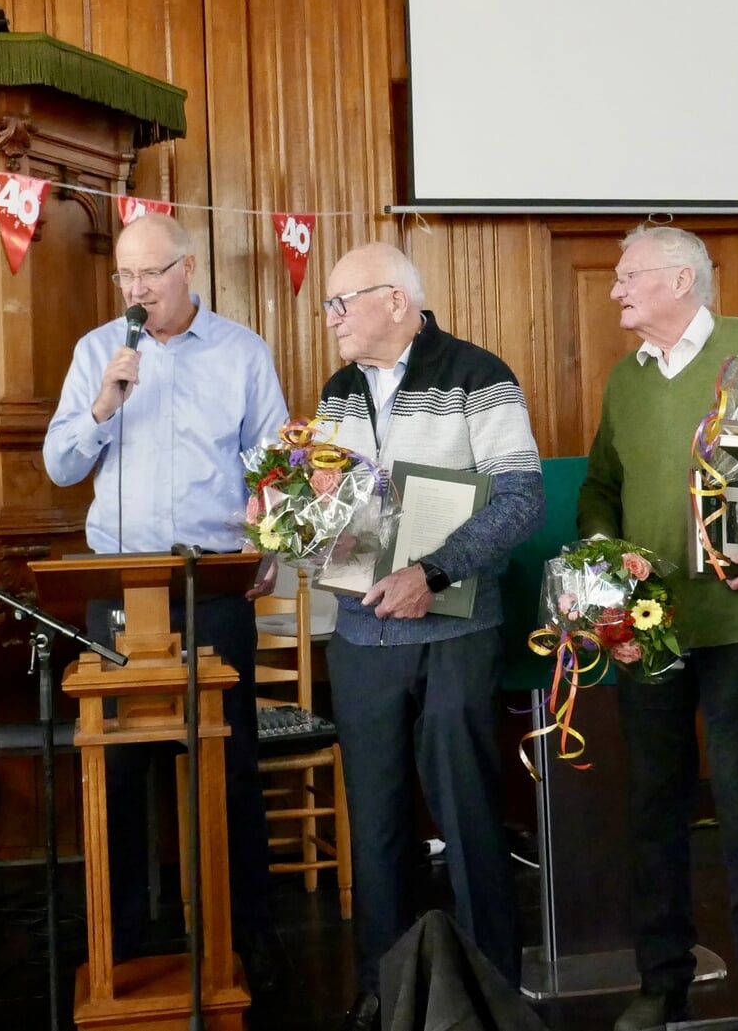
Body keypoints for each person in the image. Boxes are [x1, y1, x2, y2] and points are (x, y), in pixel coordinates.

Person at [42, 213, 290, 984]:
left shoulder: (243, 351)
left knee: (229, 761)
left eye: (150, 274)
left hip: (213, 582)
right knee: (118, 770)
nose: (137, 289)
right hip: (119, 586)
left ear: (188, 269)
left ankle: (242, 938)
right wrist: (103, 405)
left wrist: (273, 544)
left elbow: (276, 463)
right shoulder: (97, 353)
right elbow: (57, 465)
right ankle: (124, 943)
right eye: (125, 276)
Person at [579, 225, 738, 1029]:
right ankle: (661, 980)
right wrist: (603, 559)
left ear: (681, 279)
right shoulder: (626, 380)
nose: (616, 290)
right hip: (651, 630)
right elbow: (602, 484)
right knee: (653, 809)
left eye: (628, 276)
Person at [314, 242, 544, 1031]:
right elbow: (336, 518)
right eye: (330, 304)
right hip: (359, 636)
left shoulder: (478, 372)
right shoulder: (337, 391)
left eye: (344, 301)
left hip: (455, 629)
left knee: (470, 818)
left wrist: (435, 573)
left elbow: (521, 500)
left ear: (397, 302)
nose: (333, 317)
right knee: (374, 829)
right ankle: (388, 997)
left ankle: (490, 1000)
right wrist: (288, 517)